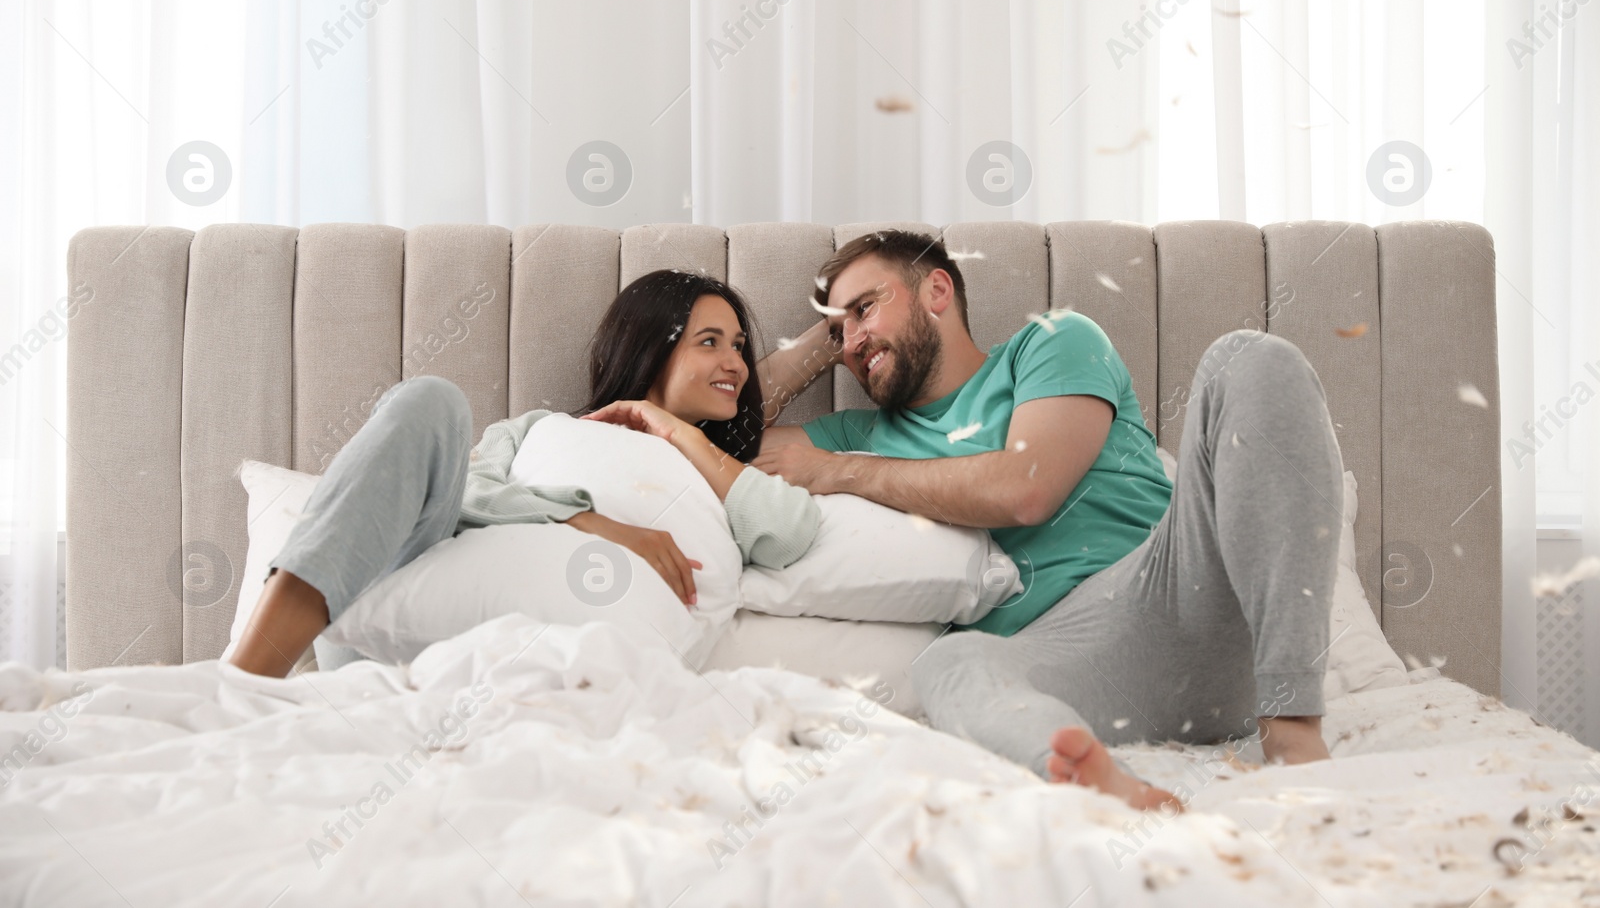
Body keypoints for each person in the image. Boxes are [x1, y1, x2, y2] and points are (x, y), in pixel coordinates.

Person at [754, 230, 1344, 813]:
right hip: (1073, 665)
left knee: (1250, 358)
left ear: (937, 289)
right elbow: (718, 420)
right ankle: (1099, 780)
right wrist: (832, 333)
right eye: (840, 331)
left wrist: (840, 472)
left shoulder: (1051, 342)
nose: (853, 341)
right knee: (949, 664)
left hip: (1176, 592)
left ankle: (1292, 726)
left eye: (866, 306)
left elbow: (1025, 488)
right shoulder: (858, 435)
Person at [228, 270, 821, 678]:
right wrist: (592, 522)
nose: (735, 363)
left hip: (535, 670)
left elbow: (789, 530)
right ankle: (243, 683)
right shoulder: (542, 428)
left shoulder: (720, 470)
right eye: (709, 342)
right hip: (391, 612)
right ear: (649, 350)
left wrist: (681, 433)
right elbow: (470, 491)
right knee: (430, 402)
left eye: (739, 346)